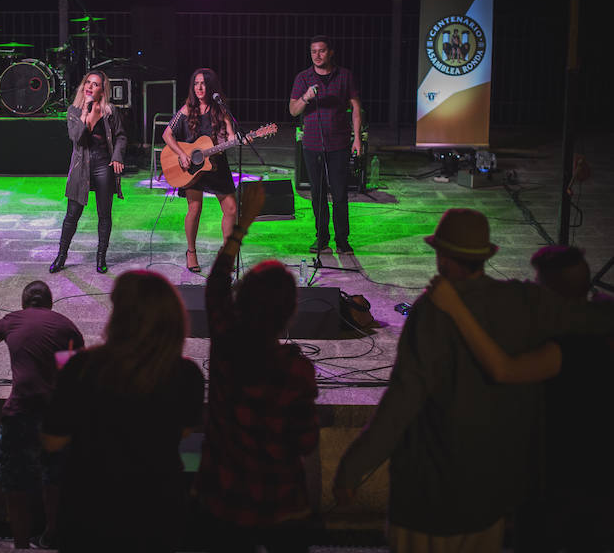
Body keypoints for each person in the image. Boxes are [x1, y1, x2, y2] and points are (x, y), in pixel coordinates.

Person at [332, 209, 614, 553]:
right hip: (486, 502)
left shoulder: (432, 312)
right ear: (483, 256)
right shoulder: (520, 301)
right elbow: (589, 316)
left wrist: (352, 469)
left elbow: (399, 406)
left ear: (442, 256)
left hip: (426, 500)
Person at [428, 245, 614, 553]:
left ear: (552, 294)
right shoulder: (600, 317)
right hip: (598, 475)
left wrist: (456, 309)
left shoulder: (568, 345)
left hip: (560, 480)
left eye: (538, 285)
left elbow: (503, 370)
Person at [193, 182, 321, 553]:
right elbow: (306, 440)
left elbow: (215, 286)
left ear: (242, 298)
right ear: (289, 314)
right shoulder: (295, 371)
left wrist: (241, 226)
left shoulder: (226, 344)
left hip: (223, 496)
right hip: (279, 502)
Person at [41, 270, 205, 552]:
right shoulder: (187, 373)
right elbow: (185, 429)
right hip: (157, 506)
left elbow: (52, 440)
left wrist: (64, 384)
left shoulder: (82, 367)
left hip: (91, 506)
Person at [0, 280, 84, 549]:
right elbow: (75, 371)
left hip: (20, 414)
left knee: (15, 486)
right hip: (54, 418)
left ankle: (20, 544)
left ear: (23, 304)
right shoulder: (66, 325)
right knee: (54, 481)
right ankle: (51, 535)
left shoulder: (12, 320)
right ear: (50, 303)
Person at [289, 35, 362, 254]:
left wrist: (357, 138)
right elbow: (293, 110)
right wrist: (306, 97)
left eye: (321, 51)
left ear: (330, 52)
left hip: (339, 143)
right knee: (317, 193)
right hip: (312, 144)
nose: (317, 56)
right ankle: (321, 238)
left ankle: (342, 239)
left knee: (339, 194)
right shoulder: (303, 78)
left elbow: (356, 108)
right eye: (313, 51)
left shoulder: (345, 76)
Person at [162, 68, 239, 273]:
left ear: (211, 86)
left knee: (231, 209)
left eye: (203, 83)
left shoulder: (221, 109)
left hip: (216, 165)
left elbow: (231, 136)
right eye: (196, 83)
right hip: (192, 166)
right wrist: (181, 153)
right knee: (195, 208)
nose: (199, 88)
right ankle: (191, 252)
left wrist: (233, 140)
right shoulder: (188, 109)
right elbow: (167, 134)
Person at [50, 70, 126, 275]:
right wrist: (84, 114)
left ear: (102, 90)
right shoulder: (74, 111)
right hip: (81, 167)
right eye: (88, 83)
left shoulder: (110, 112)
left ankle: (101, 257)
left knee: (104, 214)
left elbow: (120, 137)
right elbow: (76, 137)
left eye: (96, 84)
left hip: (103, 165)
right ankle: (61, 255)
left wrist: (117, 156)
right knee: (72, 214)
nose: (90, 87)